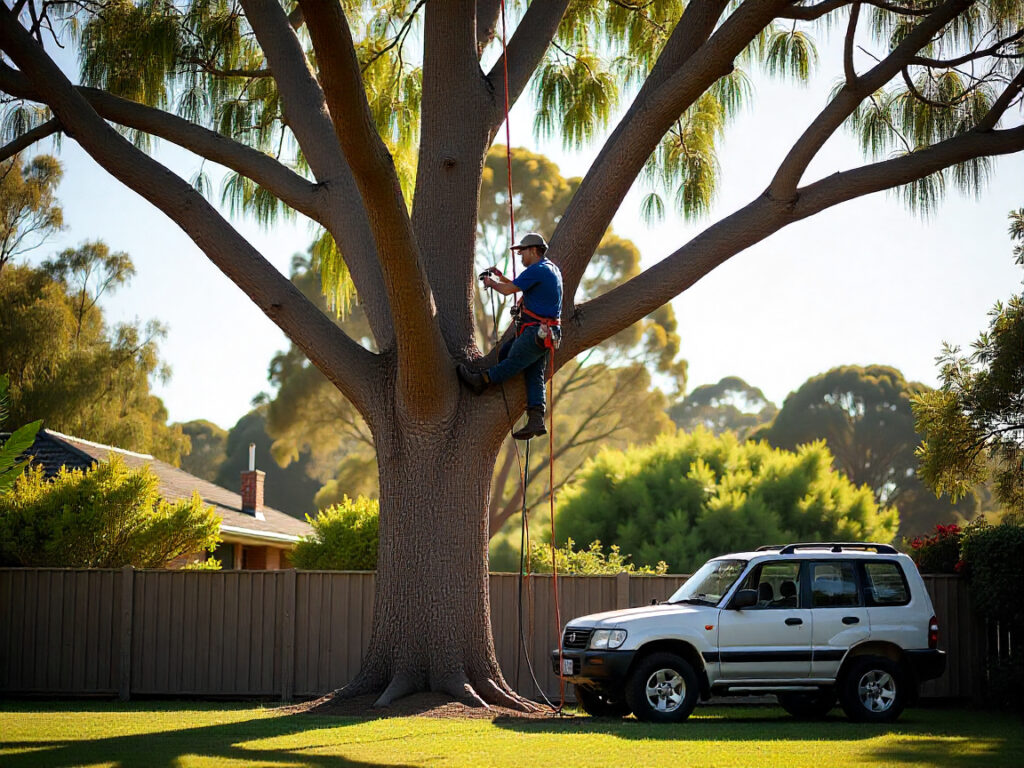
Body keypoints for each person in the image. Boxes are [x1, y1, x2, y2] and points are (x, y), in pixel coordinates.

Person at [457, 232, 562, 440]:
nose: (520, 256)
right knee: (534, 373)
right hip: (548, 333)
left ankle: (482, 381)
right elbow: (517, 285)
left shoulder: (537, 269)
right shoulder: (550, 269)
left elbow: (508, 290)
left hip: (535, 331)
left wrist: (491, 283)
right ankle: (536, 419)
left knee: (512, 359)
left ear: (533, 250)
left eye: (522, 252)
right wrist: (499, 276)